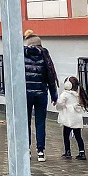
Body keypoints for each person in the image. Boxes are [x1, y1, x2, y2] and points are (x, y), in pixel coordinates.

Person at [24, 29, 58, 161]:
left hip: (25, 94)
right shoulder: (45, 55)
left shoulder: (22, 55)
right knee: (40, 122)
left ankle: (27, 149)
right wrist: (54, 96)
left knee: (25, 122)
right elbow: (51, 77)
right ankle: (40, 151)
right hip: (41, 94)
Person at [56, 76, 88, 160]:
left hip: (68, 117)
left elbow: (60, 103)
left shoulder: (65, 94)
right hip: (77, 117)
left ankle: (67, 151)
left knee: (66, 135)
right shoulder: (78, 93)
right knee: (78, 136)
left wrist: (61, 107)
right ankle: (82, 152)